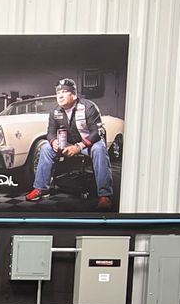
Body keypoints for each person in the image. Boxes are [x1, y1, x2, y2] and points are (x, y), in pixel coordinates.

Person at [24, 78, 113, 208]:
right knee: (45, 148)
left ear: (74, 94)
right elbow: (50, 132)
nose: (60, 95)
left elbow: (97, 133)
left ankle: (105, 195)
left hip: (88, 144)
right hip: (67, 143)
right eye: (58, 92)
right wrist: (53, 141)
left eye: (65, 92)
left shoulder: (88, 107)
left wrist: (79, 146)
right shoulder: (55, 111)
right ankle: (41, 188)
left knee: (99, 149)